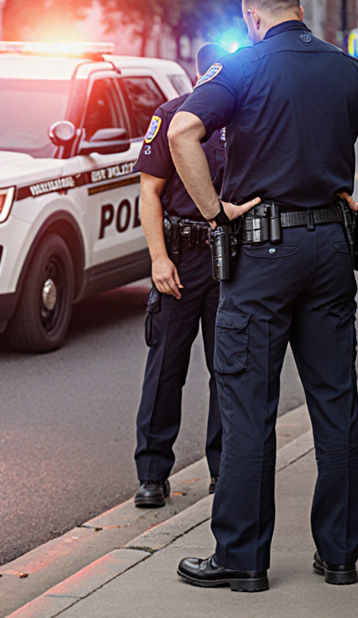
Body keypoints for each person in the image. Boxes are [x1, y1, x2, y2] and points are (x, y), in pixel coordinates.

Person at [168, 0, 358, 591]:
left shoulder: (243, 68)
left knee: (249, 407)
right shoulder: (346, 68)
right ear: (299, 11)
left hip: (261, 252)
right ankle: (338, 555)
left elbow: (181, 131)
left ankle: (242, 559)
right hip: (333, 244)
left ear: (253, 19)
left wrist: (212, 211)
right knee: (334, 402)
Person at [133, 43, 228, 509]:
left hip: (229, 259)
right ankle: (152, 474)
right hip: (180, 259)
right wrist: (158, 258)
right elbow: (149, 194)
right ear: (199, 73)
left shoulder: (243, 117)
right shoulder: (171, 115)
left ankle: (224, 471)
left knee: (227, 370)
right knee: (166, 367)